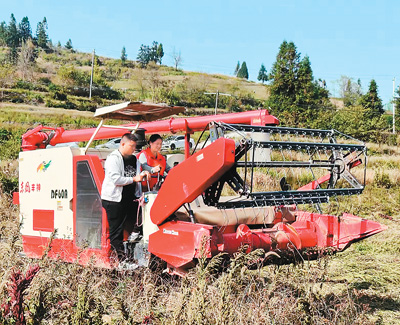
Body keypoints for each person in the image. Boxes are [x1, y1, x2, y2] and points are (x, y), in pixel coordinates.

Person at [101, 133, 150, 262]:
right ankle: (122, 260)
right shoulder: (113, 159)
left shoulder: (134, 159)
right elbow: (115, 179)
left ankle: (133, 248)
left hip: (130, 197)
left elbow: (140, 171)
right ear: (122, 144)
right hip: (114, 200)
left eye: (135, 146)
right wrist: (134, 179)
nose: (134, 148)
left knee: (140, 217)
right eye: (131, 146)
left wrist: (145, 173)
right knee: (116, 231)